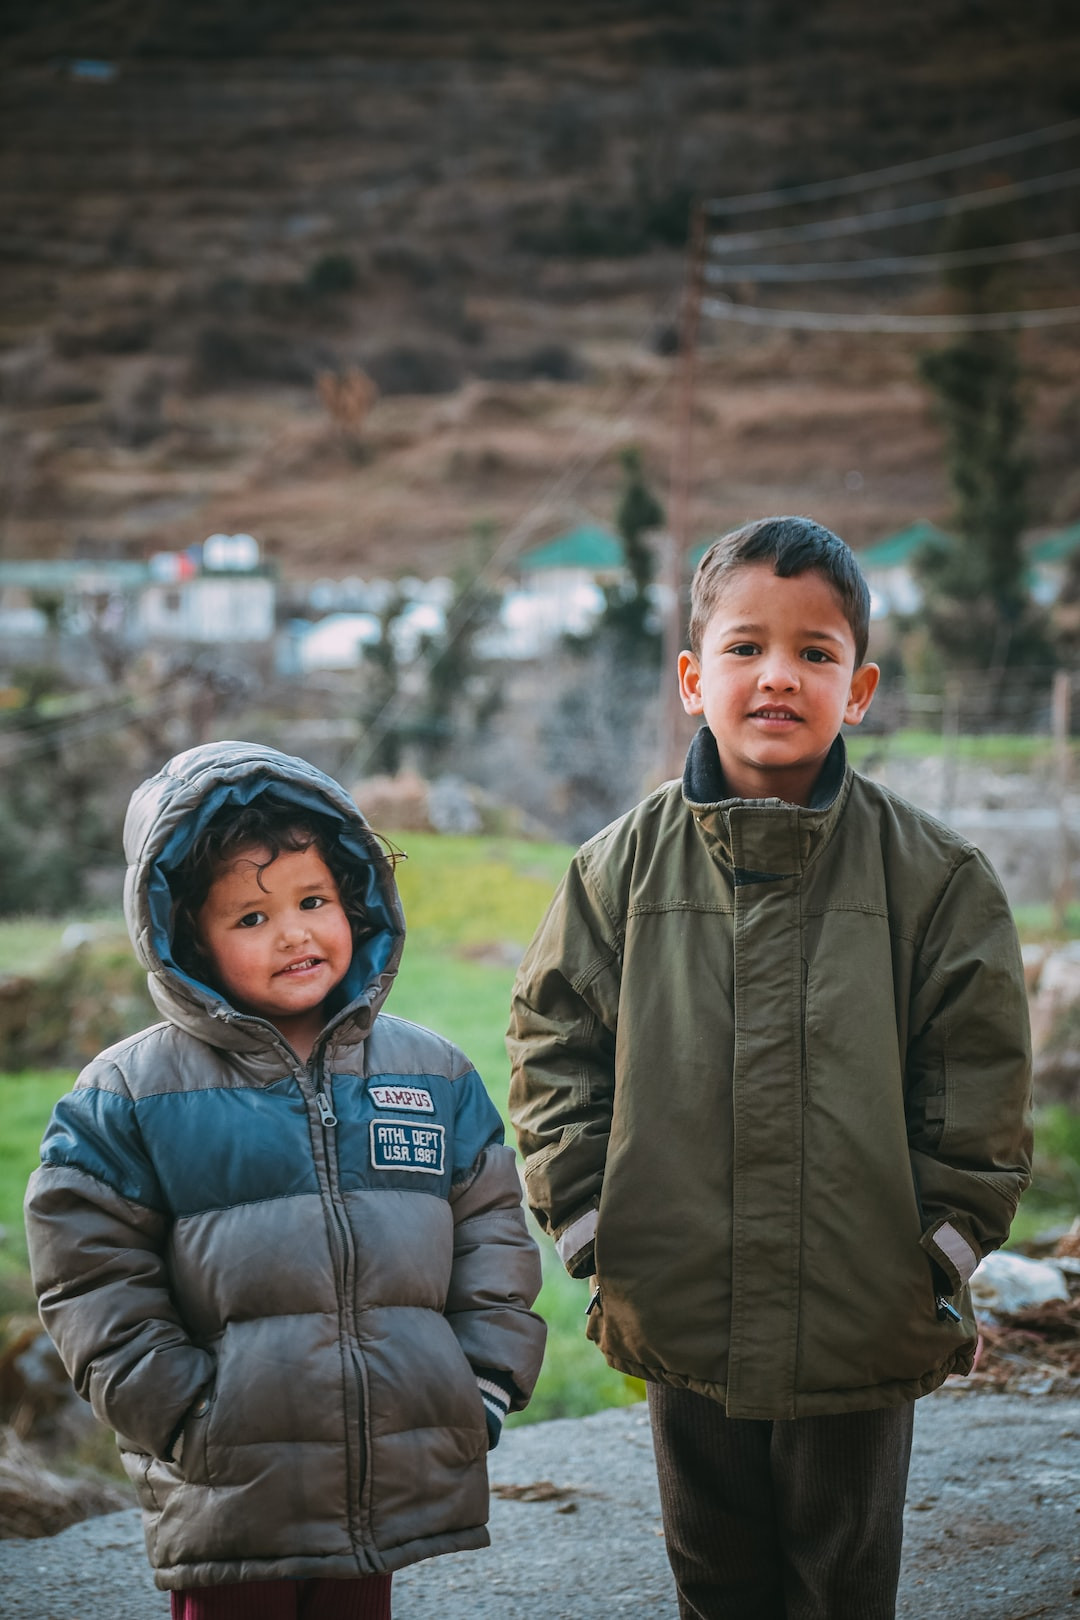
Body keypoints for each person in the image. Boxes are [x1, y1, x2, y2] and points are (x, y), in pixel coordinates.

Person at [506, 515, 1032, 1620]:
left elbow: (979, 1081)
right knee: (717, 1581)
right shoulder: (615, 874)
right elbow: (554, 1051)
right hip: (683, 1303)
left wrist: (940, 1245)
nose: (778, 677)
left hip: (864, 1305)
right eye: (746, 648)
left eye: (815, 653)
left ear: (863, 686)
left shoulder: (936, 880)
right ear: (694, 680)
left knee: (841, 1588)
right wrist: (594, 1223)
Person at [25, 740, 546, 1620]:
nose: (296, 932)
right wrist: (184, 1416)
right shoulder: (129, 1095)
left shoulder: (432, 1074)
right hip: (231, 1481)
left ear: (358, 900)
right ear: (185, 936)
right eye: (252, 918)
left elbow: (492, 1226)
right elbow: (90, 1279)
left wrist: (481, 1383)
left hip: (389, 1466)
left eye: (314, 900)